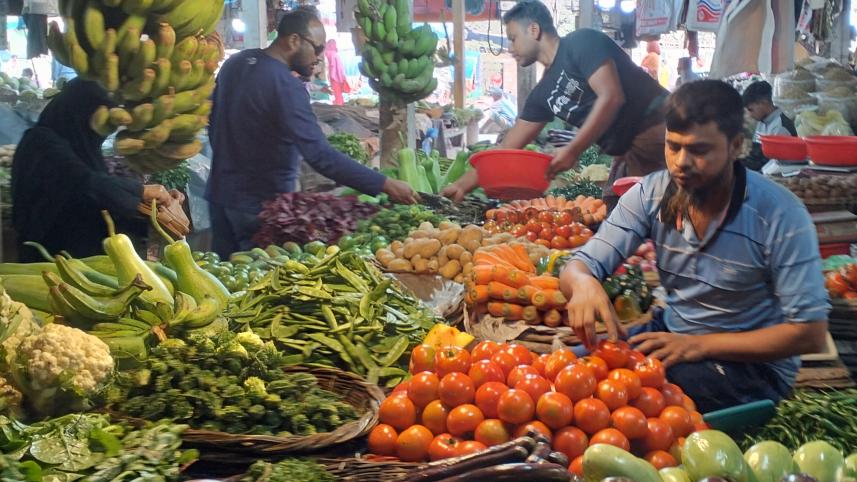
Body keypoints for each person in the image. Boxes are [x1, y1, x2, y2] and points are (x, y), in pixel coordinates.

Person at [559, 80, 829, 412]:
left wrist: (698, 345)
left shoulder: (779, 214)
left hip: (754, 368)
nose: (681, 162)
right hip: (673, 334)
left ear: (736, 146)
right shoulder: (652, 193)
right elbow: (579, 264)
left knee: (640, 398)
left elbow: (810, 332)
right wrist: (582, 281)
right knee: (562, 369)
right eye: (673, 147)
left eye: (699, 150)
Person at [206, 9, 418, 257]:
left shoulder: (236, 63)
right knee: (258, 283)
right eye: (317, 49)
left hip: (219, 197)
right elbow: (320, 155)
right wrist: (384, 183)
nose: (320, 57)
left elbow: (213, 120)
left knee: (223, 279)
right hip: (260, 209)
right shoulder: (286, 86)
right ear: (294, 40)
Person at [441, 1, 668, 206]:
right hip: (631, 153)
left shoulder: (582, 42)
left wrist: (573, 150)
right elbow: (505, 148)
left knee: (682, 212)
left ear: (534, 30)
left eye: (513, 38)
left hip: (663, 130)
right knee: (628, 218)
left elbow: (612, 97)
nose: (510, 49)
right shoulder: (542, 94)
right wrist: (461, 185)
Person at [11, 79, 182, 262]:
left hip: (84, 262)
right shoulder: (41, 142)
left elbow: (101, 193)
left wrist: (153, 202)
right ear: (80, 112)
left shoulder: (82, 147)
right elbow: (84, 182)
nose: (103, 131)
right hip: (49, 264)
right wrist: (140, 191)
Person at [742, 80, 797, 171]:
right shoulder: (762, 121)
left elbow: (776, 166)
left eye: (751, 109)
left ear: (763, 103)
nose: (750, 115)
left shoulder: (781, 126)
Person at [325, 39, 350, 105]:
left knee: (337, 93)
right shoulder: (333, 54)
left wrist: (332, 76)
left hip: (334, 76)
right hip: (337, 76)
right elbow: (337, 68)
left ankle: (339, 104)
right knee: (338, 93)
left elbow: (333, 67)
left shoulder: (330, 53)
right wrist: (342, 77)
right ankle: (339, 104)